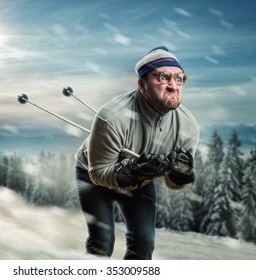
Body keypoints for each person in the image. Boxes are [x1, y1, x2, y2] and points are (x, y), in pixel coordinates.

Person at [75, 46, 200, 260]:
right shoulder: (111, 117)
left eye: (179, 79)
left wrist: (181, 175)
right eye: (163, 77)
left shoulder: (188, 127)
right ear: (142, 84)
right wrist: (133, 172)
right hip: (92, 174)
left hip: (140, 182)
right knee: (102, 242)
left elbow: (172, 184)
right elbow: (98, 173)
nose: (173, 86)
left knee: (143, 246)